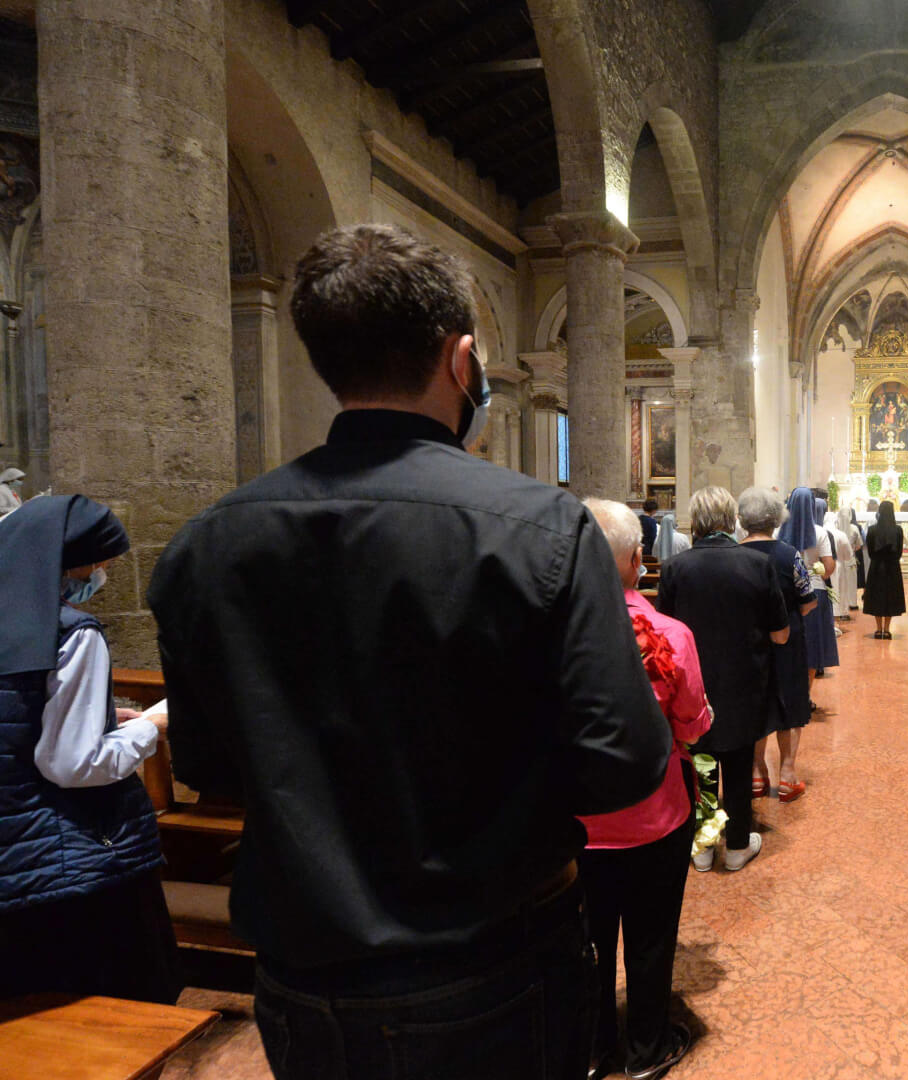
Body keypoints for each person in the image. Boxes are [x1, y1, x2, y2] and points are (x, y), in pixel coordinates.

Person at [149, 224, 672, 1080]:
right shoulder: (542, 528)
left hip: (307, 971)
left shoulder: (207, 544)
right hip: (490, 962)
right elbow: (623, 762)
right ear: (461, 360)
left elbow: (208, 762)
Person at [0, 495, 178, 1005]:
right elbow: (73, 765)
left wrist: (97, 721)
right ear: (68, 561)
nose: (103, 575)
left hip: (14, 857)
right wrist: (151, 728)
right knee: (121, 1012)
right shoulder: (72, 633)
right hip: (70, 862)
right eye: (101, 563)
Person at [579, 499, 711, 1080]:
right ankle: (645, 1049)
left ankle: (591, 1048)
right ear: (637, 560)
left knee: (585, 939)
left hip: (576, 822)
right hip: (654, 814)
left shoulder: (544, 634)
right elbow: (693, 726)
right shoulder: (670, 635)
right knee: (652, 935)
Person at [660, 486, 789, 872]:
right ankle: (736, 846)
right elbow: (780, 633)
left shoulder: (675, 568)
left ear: (695, 522)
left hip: (694, 683)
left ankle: (701, 848)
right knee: (738, 760)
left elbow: (666, 633)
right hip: (744, 680)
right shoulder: (757, 564)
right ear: (732, 520)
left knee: (700, 760)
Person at [738, 487, 814, 803]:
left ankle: (756, 774)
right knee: (790, 702)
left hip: (747, 641)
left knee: (756, 702)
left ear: (743, 519)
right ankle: (787, 774)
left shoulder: (734, 554)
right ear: (776, 518)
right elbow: (808, 599)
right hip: (787, 639)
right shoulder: (789, 554)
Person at [782, 489, 838, 679]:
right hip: (815, 591)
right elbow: (829, 567)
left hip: (786, 591)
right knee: (811, 644)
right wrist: (817, 572)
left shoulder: (779, 530)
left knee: (787, 642)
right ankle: (806, 691)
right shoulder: (820, 532)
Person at [862, 500, 907, 638]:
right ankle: (887, 629)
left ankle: (878, 629)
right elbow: (899, 552)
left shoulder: (872, 529)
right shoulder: (898, 530)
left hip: (876, 567)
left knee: (877, 596)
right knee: (890, 596)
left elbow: (870, 552)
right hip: (892, 567)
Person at [830, 505, 860, 617]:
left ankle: (839, 607)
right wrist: (852, 549)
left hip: (837, 561)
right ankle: (853, 603)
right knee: (852, 584)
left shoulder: (835, 528)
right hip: (850, 559)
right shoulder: (854, 528)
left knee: (839, 585)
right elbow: (859, 545)